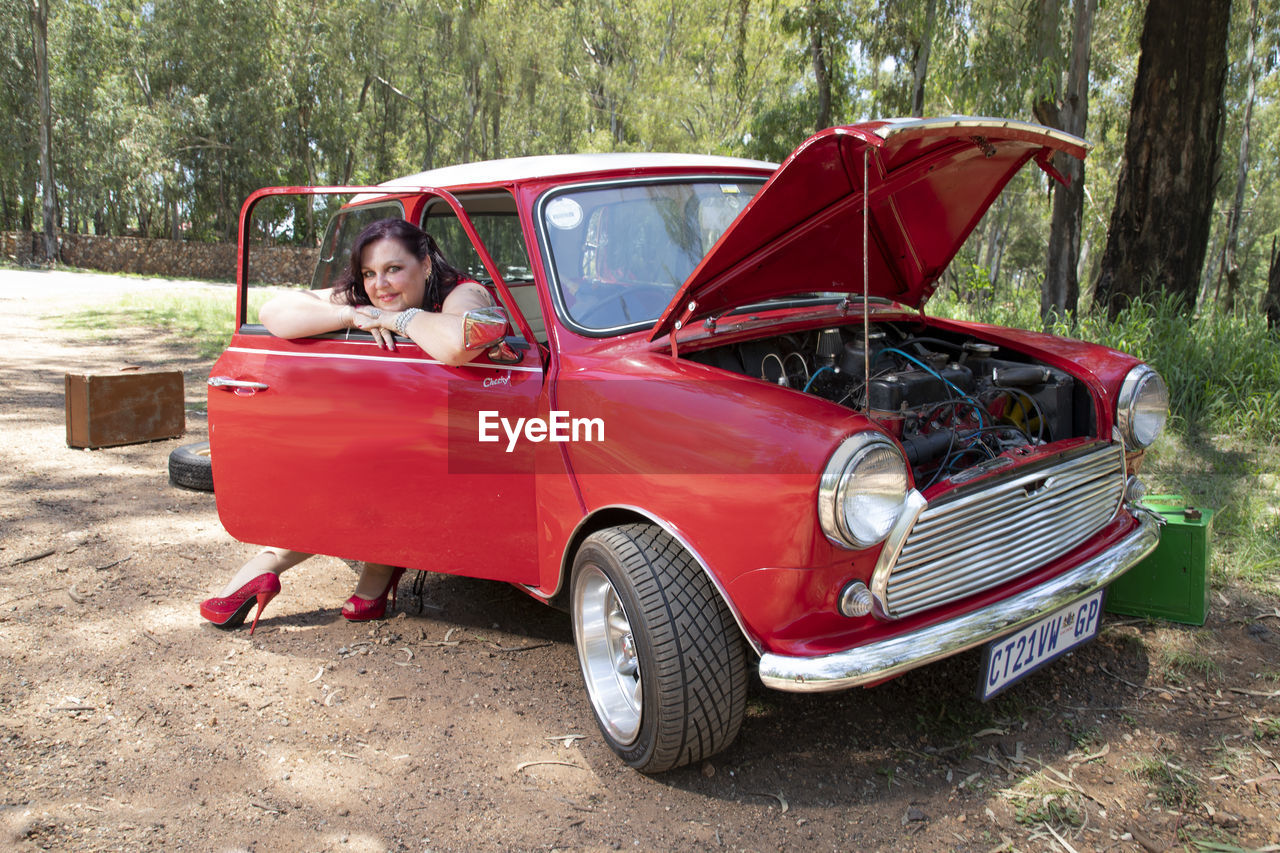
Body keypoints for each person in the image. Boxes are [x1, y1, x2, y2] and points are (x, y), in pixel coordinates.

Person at [199, 218, 496, 634]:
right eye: (369, 273)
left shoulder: (461, 290)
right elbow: (273, 312)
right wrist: (352, 314)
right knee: (349, 477)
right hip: (394, 420)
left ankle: (365, 569)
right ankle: (318, 566)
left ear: (426, 265)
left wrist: (397, 319)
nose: (381, 284)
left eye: (394, 269)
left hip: (470, 425)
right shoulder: (367, 294)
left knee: (389, 477)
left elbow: (458, 343)